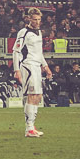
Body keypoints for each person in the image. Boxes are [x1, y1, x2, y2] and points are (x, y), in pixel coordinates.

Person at [12, 8, 52, 137]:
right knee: (32, 95)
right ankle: (29, 128)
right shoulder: (23, 32)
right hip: (28, 66)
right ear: (29, 19)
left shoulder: (39, 32)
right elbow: (16, 51)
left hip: (37, 67)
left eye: (39, 19)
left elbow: (39, 53)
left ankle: (31, 126)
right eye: (35, 19)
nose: (37, 22)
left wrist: (45, 66)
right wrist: (16, 70)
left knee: (38, 96)